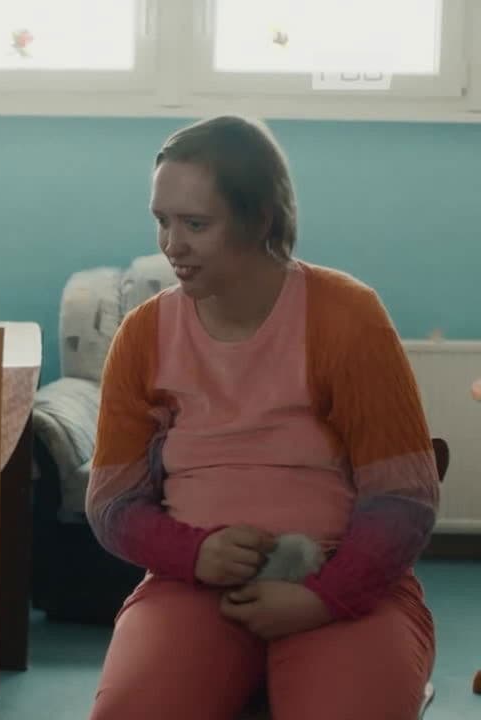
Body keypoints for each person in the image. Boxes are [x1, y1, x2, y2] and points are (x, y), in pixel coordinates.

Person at [86, 115, 438, 719]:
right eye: (162, 220)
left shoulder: (347, 315)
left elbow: (404, 498)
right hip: (193, 585)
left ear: (261, 219)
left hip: (345, 577)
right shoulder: (144, 334)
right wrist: (195, 553)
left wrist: (325, 597)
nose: (171, 244)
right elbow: (112, 504)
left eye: (196, 224)